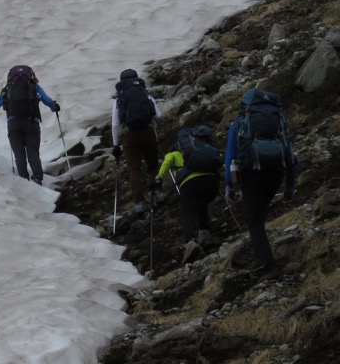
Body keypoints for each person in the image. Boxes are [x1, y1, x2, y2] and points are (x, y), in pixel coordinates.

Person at [224, 88, 298, 280]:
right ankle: (261, 254)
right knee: (258, 215)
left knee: (254, 220)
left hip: (252, 174)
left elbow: (231, 156)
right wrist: (290, 187)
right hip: (276, 174)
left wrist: (229, 186)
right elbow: (290, 155)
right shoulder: (279, 122)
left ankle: (269, 266)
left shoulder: (239, 123)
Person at [153, 126, 222, 264]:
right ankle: (205, 233)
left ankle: (190, 241)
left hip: (190, 185)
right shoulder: (201, 149)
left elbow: (166, 163)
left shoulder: (174, 153)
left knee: (187, 210)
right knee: (202, 204)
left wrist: (158, 178)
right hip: (211, 182)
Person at [0, 65, 59, 185]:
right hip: (31, 123)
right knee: (33, 151)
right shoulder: (34, 87)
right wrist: (55, 108)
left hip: (13, 124)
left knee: (19, 153)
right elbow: (47, 100)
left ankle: (24, 179)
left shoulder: (7, 89)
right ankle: (37, 177)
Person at [111, 68, 163, 214]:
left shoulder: (119, 100)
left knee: (134, 169)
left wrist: (116, 145)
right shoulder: (145, 94)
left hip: (129, 136)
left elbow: (115, 124)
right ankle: (157, 192)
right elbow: (158, 115)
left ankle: (139, 202)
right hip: (147, 132)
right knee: (153, 165)